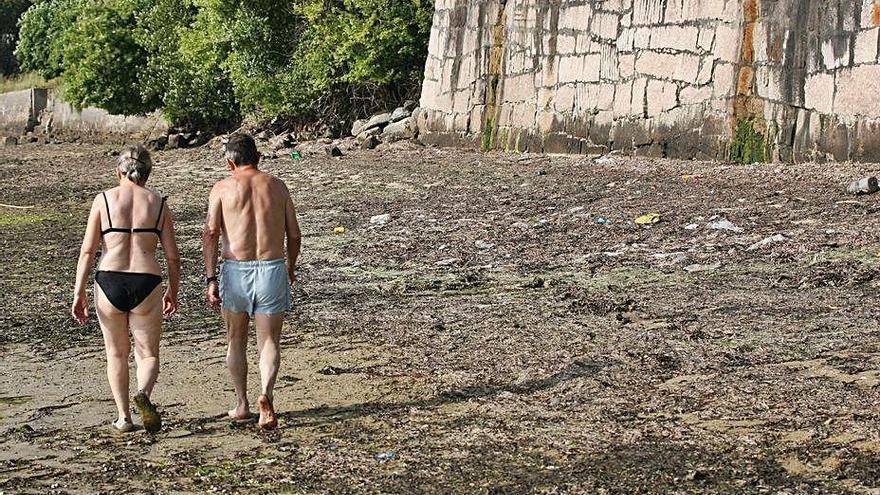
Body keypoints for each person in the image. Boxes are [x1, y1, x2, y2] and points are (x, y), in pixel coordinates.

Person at [71, 145, 180, 433]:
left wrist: (78, 291)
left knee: (116, 353)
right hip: (146, 279)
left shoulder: (103, 200)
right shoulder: (158, 202)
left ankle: (123, 417)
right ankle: (143, 394)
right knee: (148, 353)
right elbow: (172, 256)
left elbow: (87, 251)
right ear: (147, 173)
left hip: (109, 280)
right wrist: (173, 290)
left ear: (118, 170)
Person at [202, 133, 301, 429]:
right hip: (271, 268)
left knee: (235, 339)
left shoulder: (221, 188)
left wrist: (210, 278)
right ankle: (265, 396)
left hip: (236, 268)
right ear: (257, 158)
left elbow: (210, 233)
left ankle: (242, 403)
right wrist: (290, 266)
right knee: (269, 341)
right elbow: (294, 234)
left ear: (230, 161)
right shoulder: (277, 186)